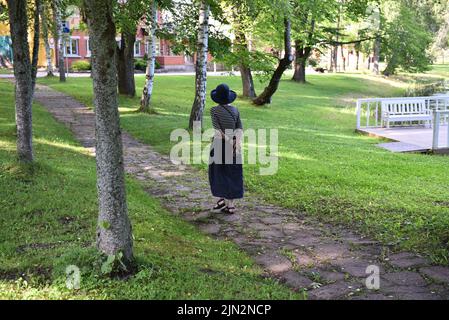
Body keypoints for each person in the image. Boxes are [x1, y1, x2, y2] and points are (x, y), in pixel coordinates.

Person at [209, 83, 244, 214]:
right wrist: (237, 143)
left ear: (217, 98)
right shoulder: (235, 110)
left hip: (219, 144)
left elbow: (218, 131)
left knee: (218, 173)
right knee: (233, 173)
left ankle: (221, 200)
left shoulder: (214, 110)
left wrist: (229, 141)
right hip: (234, 146)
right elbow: (240, 128)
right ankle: (230, 205)